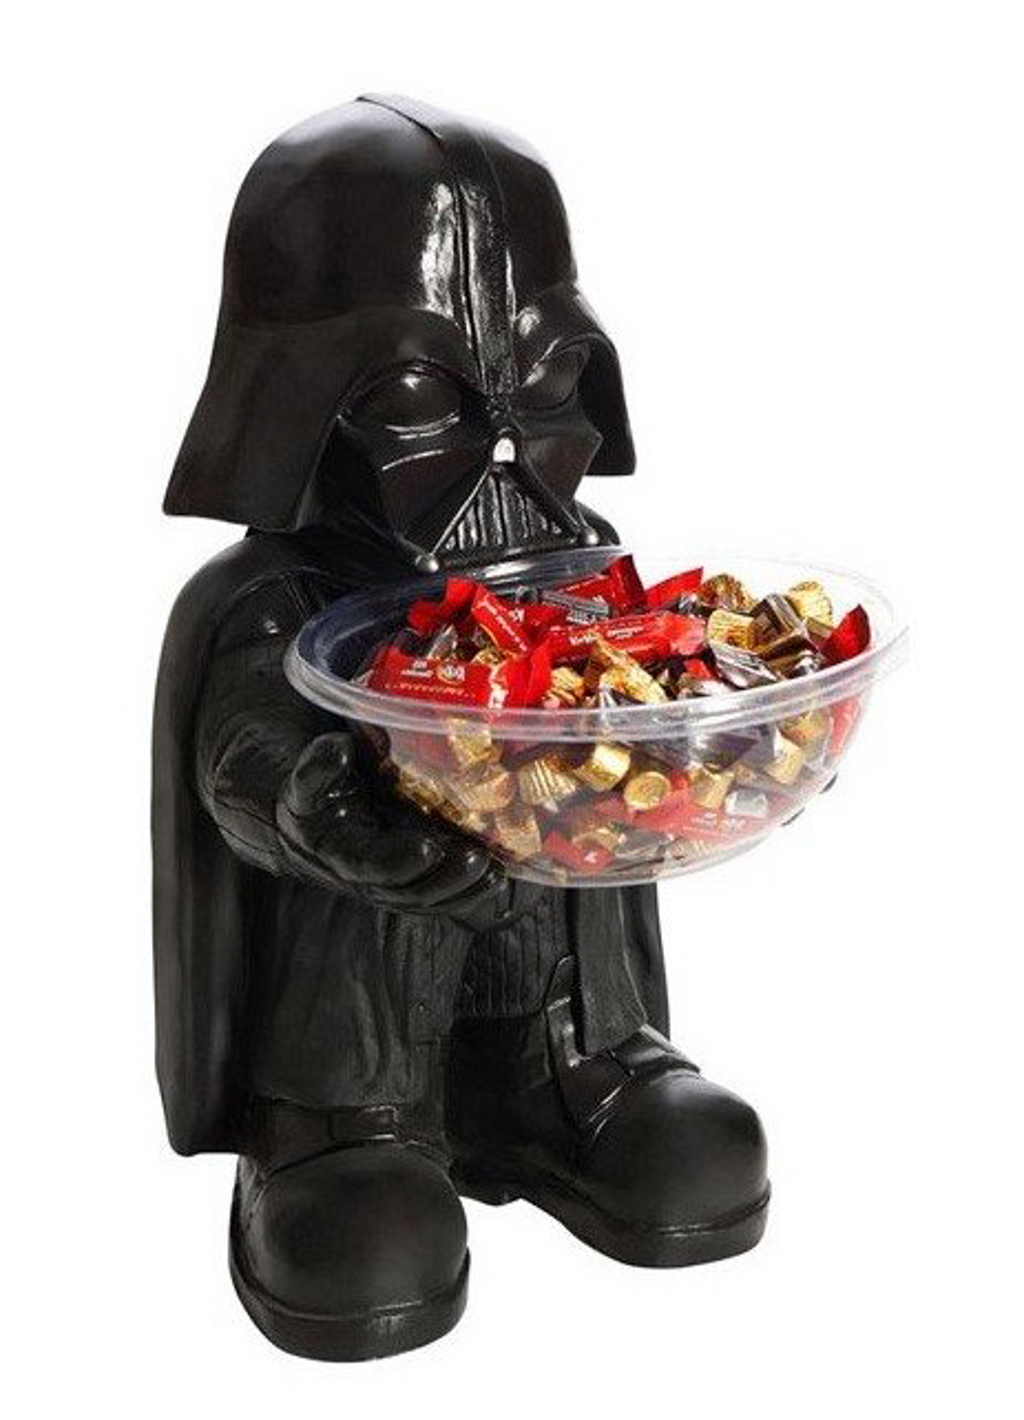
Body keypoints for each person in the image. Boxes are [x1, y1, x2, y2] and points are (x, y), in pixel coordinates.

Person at [153, 95, 767, 1362]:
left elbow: (649, 710)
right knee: (370, 1241)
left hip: (568, 1005)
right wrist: (322, 803)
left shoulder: (585, 569)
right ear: (301, 398)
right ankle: (341, 1125)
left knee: (694, 1156)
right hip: (350, 1030)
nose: (500, 446)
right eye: (417, 396)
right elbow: (242, 754)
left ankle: (571, 1070)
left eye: (547, 381)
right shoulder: (274, 599)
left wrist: (722, 737)